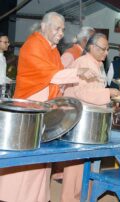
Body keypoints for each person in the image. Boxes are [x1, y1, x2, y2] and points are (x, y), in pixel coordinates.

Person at [0, 12, 93, 202]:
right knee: (25, 159)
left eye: (63, 30)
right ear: (44, 27)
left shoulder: (53, 50)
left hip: (44, 111)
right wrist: (77, 73)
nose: (61, 33)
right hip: (28, 111)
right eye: (57, 29)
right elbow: (50, 75)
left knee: (42, 159)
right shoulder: (33, 45)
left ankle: (38, 198)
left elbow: (59, 76)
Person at [61, 33, 120, 202]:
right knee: (75, 164)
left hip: (90, 120)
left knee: (85, 163)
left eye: (108, 49)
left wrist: (108, 100)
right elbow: (82, 92)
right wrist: (108, 93)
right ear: (92, 47)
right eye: (103, 49)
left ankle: (82, 197)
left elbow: (95, 91)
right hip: (79, 119)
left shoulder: (97, 64)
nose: (106, 53)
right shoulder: (83, 63)